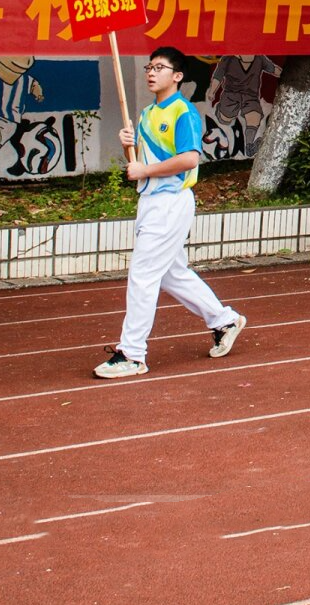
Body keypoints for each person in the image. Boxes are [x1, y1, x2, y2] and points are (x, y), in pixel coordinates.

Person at [96, 47, 247, 379]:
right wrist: (127, 146)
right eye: (149, 66)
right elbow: (139, 164)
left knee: (143, 275)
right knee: (170, 274)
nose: (151, 72)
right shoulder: (148, 113)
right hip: (151, 201)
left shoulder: (183, 112)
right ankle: (224, 320)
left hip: (170, 202)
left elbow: (190, 159)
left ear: (177, 76)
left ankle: (132, 354)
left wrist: (144, 172)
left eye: (159, 68)